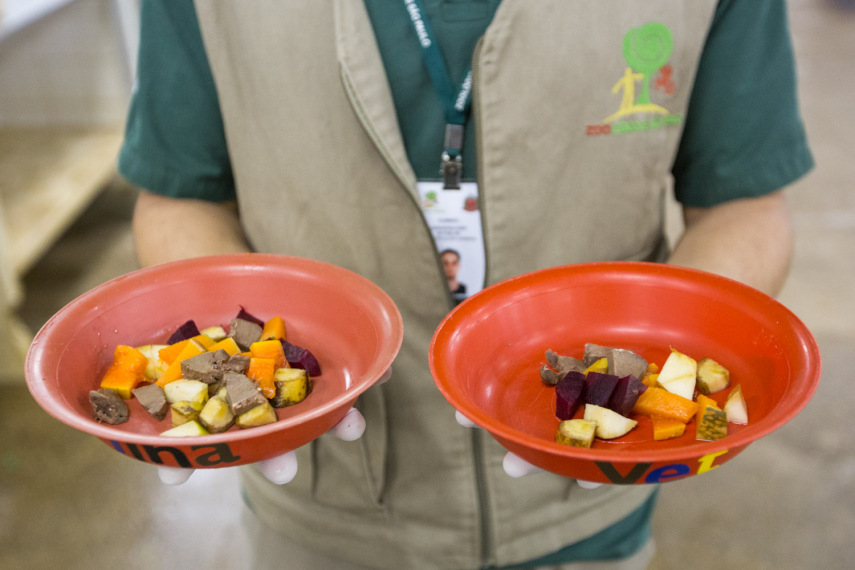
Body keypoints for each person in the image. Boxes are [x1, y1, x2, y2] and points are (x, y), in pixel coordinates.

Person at [120, 1, 813, 568]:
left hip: (589, 516)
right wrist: (235, 380)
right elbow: (182, 197)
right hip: (324, 508)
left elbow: (740, 204)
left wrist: (667, 391)